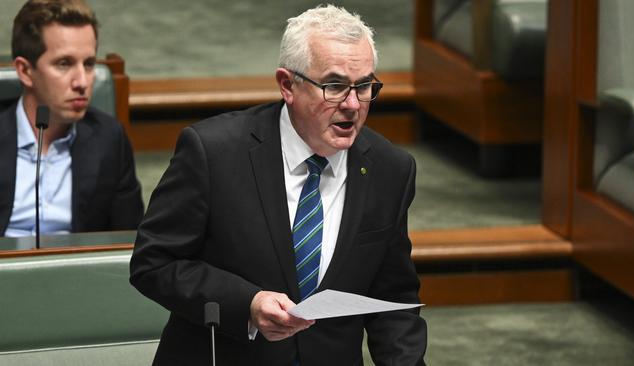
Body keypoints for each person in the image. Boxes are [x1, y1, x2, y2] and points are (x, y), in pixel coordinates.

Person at [130, 5, 427, 365]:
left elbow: (392, 300)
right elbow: (154, 262)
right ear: (288, 84)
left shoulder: (389, 169)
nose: (352, 104)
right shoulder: (215, 153)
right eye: (333, 86)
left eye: (364, 86)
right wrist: (247, 305)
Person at [0, 0, 144, 237]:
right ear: (25, 71)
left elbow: (129, 239)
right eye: (64, 64)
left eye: (88, 64)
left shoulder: (109, 138)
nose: (82, 82)